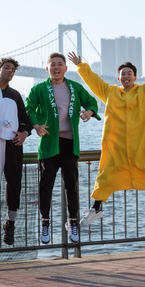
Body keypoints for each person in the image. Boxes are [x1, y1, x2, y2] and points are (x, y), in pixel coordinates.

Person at [68, 38, 145, 228]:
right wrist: (81, 65)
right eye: (123, 74)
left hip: (143, 150)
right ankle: (96, 209)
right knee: (105, 178)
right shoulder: (109, 92)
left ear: (135, 77)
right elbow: (93, 81)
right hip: (117, 152)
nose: (126, 76)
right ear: (118, 78)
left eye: (129, 74)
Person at [25, 52, 100, 244]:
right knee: (45, 187)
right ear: (47, 68)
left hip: (69, 143)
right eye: (52, 64)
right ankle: (45, 223)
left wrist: (89, 112)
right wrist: (35, 126)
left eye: (60, 64)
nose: (56, 67)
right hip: (49, 143)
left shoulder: (75, 87)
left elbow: (91, 101)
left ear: (66, 68)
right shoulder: (39, 89)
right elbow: (29, 108)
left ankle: (73, 222)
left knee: (71, 186)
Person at [0, 57, 32, 245]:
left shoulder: (16, 94)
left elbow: (25, 119)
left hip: (13, 143)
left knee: (14, 181)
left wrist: (25, 133)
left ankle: (10, 224)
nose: (9, 71)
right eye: (6, 68)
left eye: (12, 70)